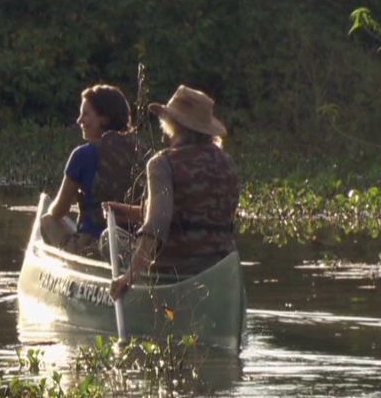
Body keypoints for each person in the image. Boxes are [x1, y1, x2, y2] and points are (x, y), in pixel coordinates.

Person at [107, 85, 240, 299]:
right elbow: (200, 211)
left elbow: (156, 227)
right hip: (222, 269)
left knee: (109, 239)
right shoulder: (227, 163)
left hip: (177, 272)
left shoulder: (162, 163)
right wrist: (125, 210)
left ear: (172, 124)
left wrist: (128, 277)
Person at [40, 84, 146, 256]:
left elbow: (59, 210)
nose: (79, 120)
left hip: (93, 247)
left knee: (47, 221)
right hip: (138, 244)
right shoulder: (144, 151)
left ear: (104, 118)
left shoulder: (83, 155)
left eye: (86, 114)